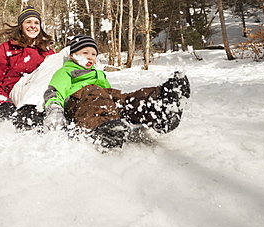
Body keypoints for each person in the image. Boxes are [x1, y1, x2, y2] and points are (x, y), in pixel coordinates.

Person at [43, 34, 190, 149]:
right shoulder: (66, 71)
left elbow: (108, 97)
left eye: (94, 54)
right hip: (78, 103)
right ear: (73, 55)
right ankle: (103, 129)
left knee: (124, 98)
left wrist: (115, 100)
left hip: (100, 99)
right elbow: (55, 91)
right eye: (85, 52)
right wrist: (54, 108)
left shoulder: (98, 73)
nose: (90, 57)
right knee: (96, 93)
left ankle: (159, 106)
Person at [0, 6, 55, 126]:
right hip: (17, 92)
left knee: (63, 57)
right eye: (28, 22)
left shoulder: (46, 51)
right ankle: (29, 110)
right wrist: (3, 102)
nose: (33, 26)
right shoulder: (6, 48)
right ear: (21, 26)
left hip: (42, 92)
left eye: (36, 23)